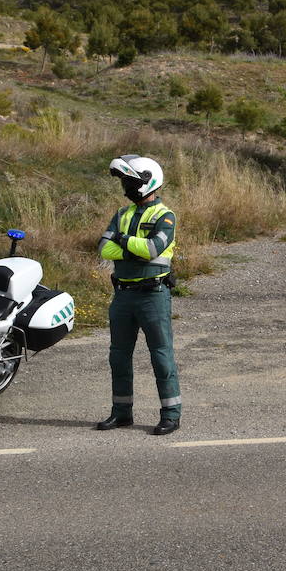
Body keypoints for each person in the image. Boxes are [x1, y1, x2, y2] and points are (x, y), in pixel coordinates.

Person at [95, 154, 182, 435]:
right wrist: (134, 247)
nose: (126, 187)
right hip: (122, 295)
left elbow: (153, 249)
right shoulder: (122, 214)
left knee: (161, 356)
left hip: (153, 296)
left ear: (147, 181)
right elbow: (103, 249)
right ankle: (121, 413)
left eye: (130, 181)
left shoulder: (165, 215)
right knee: (118, 357)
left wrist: (121, 240)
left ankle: (171, 415)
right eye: (124, 181)